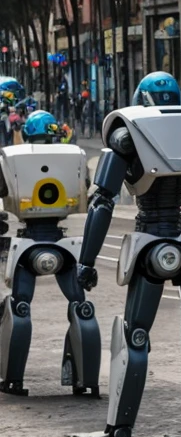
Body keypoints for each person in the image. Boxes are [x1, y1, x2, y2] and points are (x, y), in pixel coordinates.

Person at [70, 72, 181, 437]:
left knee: (134, 337)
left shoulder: (127, 134)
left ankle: (119, 431)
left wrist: (86, 261)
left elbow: (103, 201)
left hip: (150, 237)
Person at [0, 110, 100, 396]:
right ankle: (87, 380)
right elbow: (85, 187)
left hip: (27, 243)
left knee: (19, 306)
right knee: (80, 304)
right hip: (61, 243)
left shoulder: (11, 155)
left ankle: (12, 379)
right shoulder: (75, 153)